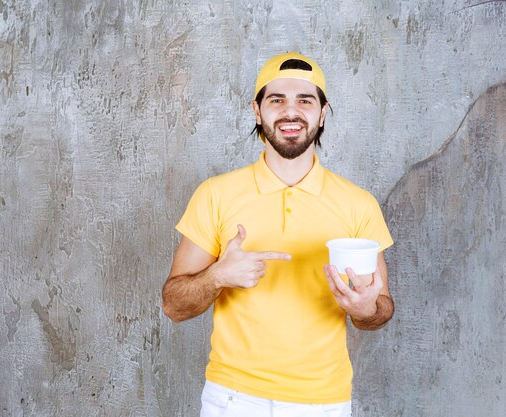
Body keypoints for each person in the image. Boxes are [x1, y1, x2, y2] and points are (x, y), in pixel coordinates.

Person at [162, 52, 394, 417]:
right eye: (276, 100)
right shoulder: (216, 195)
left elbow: (381, 308)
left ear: (322, 113)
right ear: (257, 111)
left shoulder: (358, 205)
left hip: (324, 402)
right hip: (232, 400)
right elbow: (173, 306)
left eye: (305, 100)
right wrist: (217, 275)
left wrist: (365, 308)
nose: (290, 111)